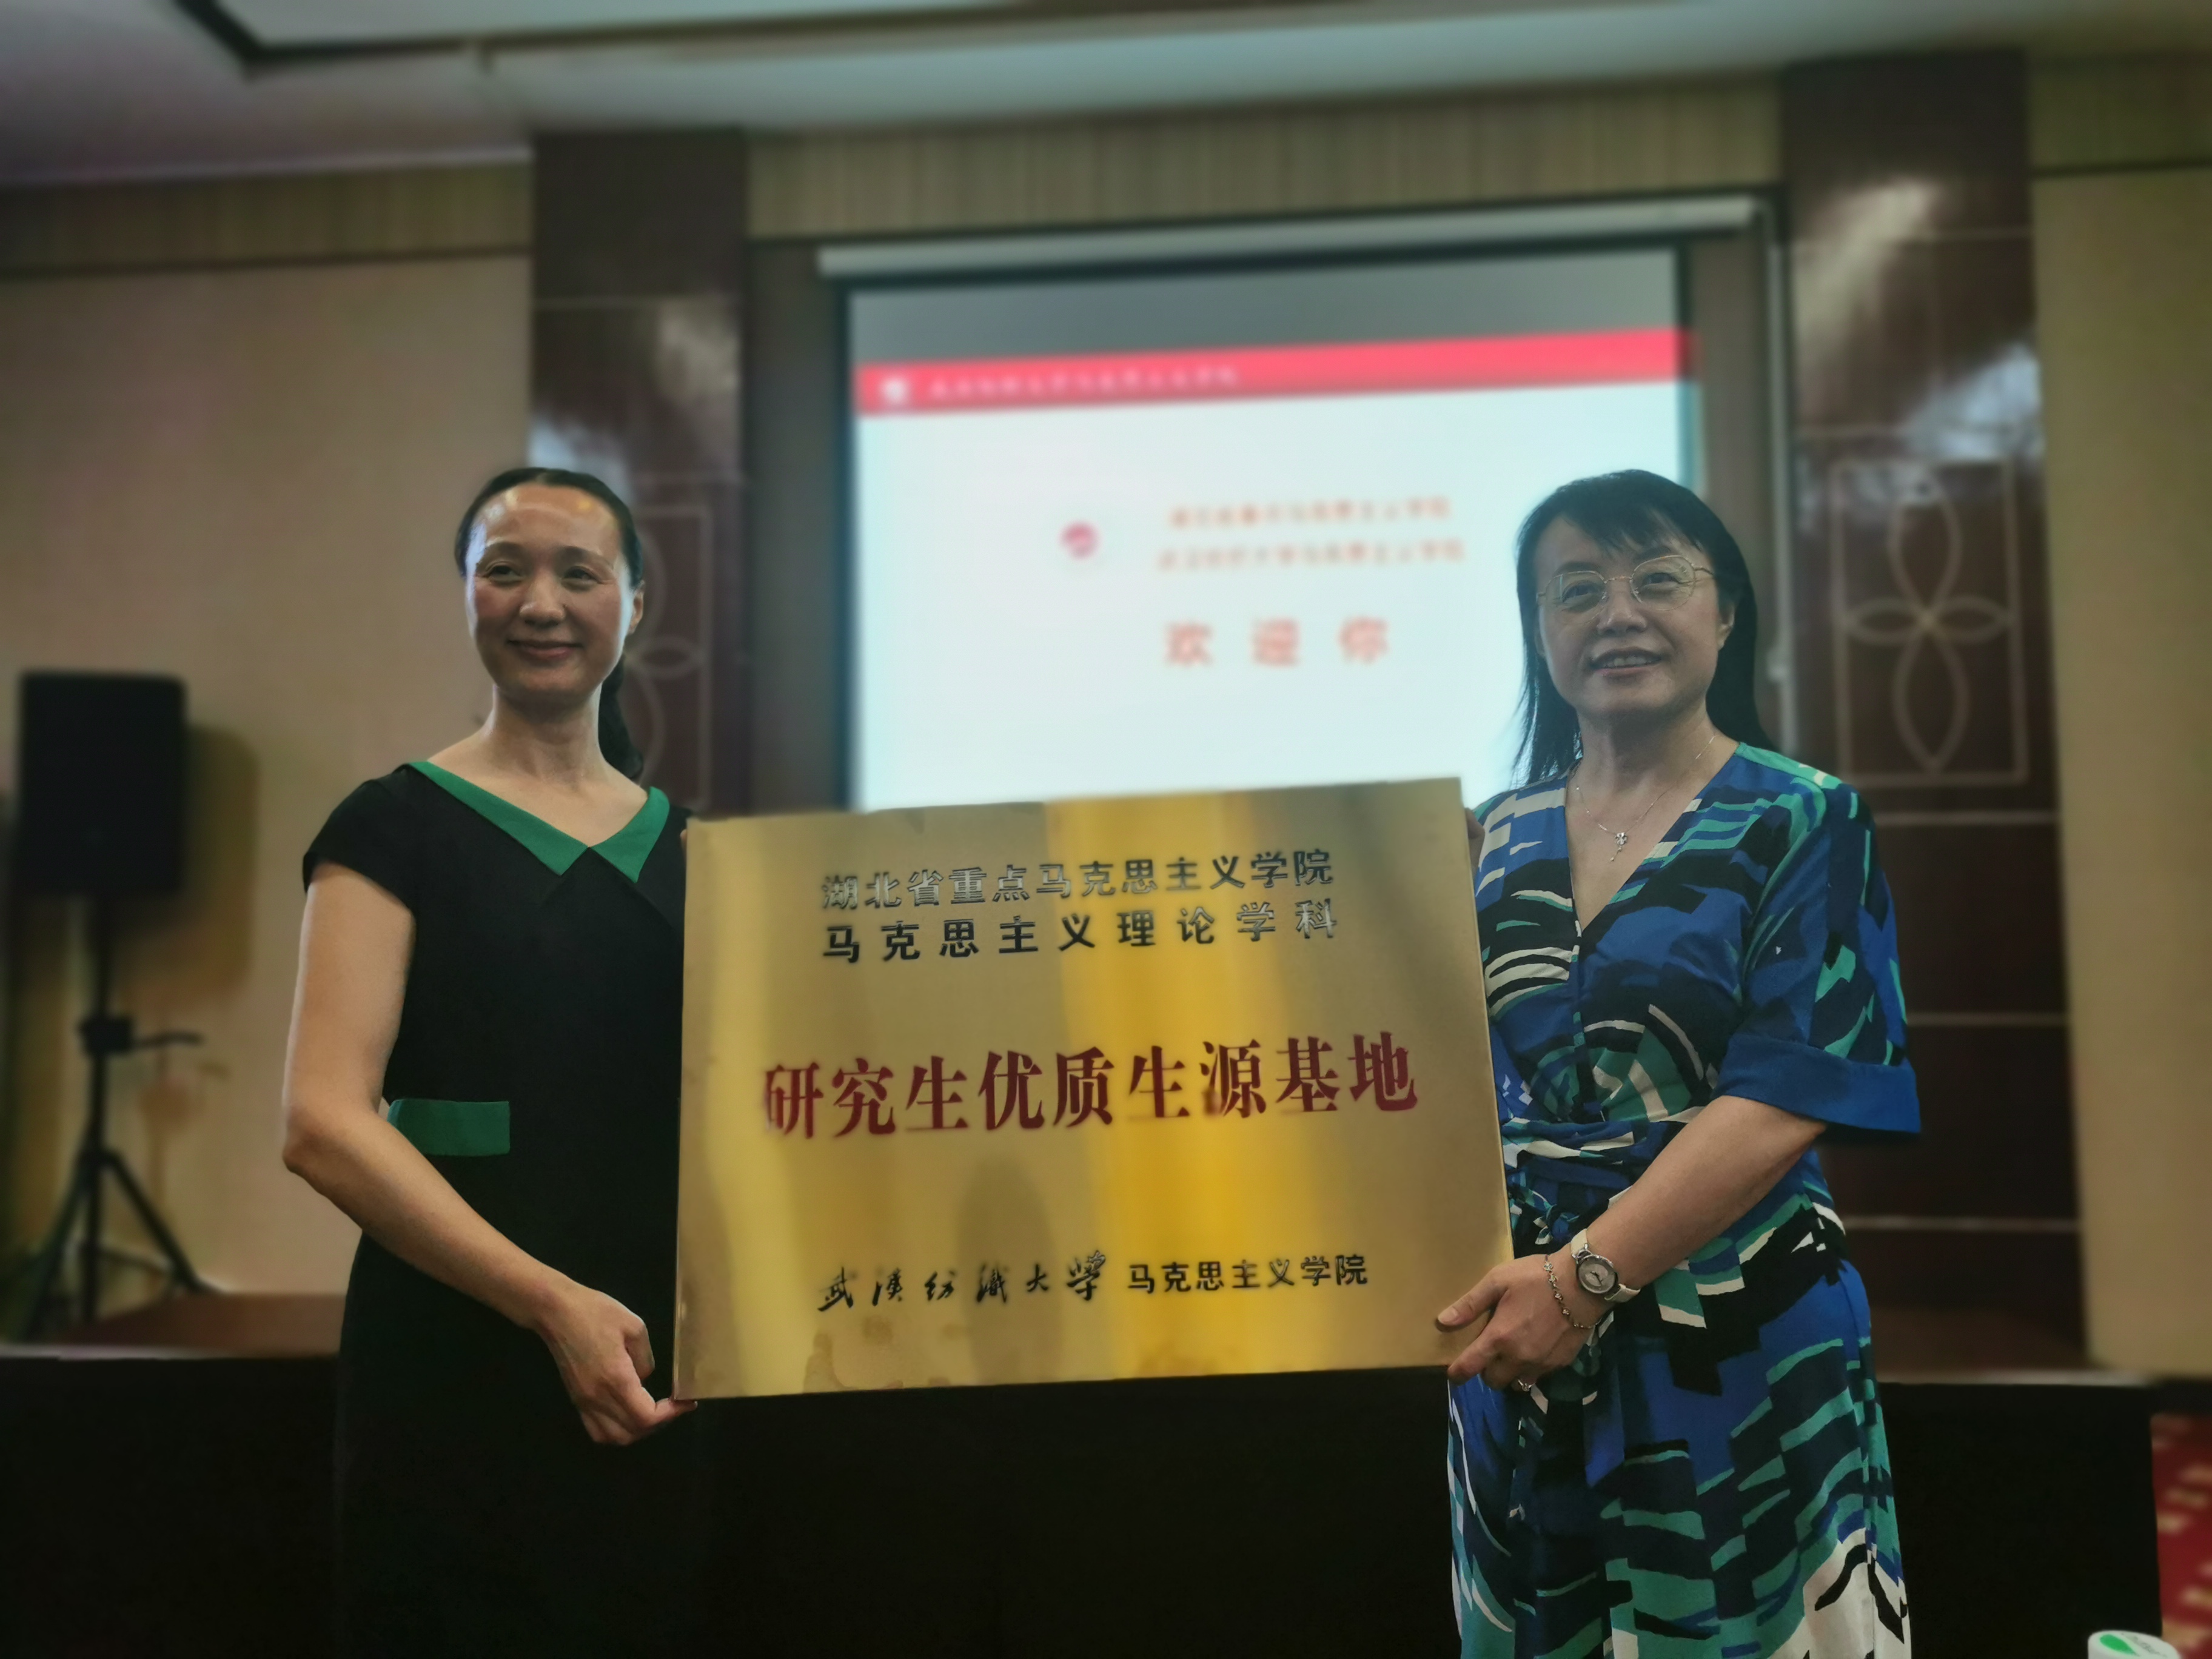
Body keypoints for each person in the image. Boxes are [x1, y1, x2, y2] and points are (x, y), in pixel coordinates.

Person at [1435, 471, 1917, 1657]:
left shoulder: (1803, 817)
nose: (1618, 614)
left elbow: (1789, 1092)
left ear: (1726, 610)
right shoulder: (1488, 837)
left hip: (1736, 1323)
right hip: (1520, 1330)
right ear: (1538, 626)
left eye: (1657, 579)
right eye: (1576, 590)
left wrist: (1583, 1282)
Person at [281, 467, 708, 1655]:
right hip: (459, 1352)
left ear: (636, 604)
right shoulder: (392, 824)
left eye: (580, 574)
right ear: (467, 594)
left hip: (664, 1366)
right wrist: (552, 1307)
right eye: (505, 570)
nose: (542, 603)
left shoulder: (695, 850)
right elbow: (321, 1124)